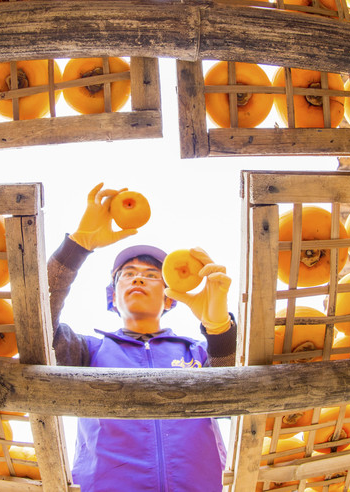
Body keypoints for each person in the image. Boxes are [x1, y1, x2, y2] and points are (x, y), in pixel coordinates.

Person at [47, 183, 237, 492]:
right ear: (112, 297)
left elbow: (233, 398)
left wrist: (219, 329)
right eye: (128, 273)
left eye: (152, 276)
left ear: (169, 299)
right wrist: (77, 246)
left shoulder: (199, 354)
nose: (139, 277)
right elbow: (35, 319)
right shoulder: (89, 352)